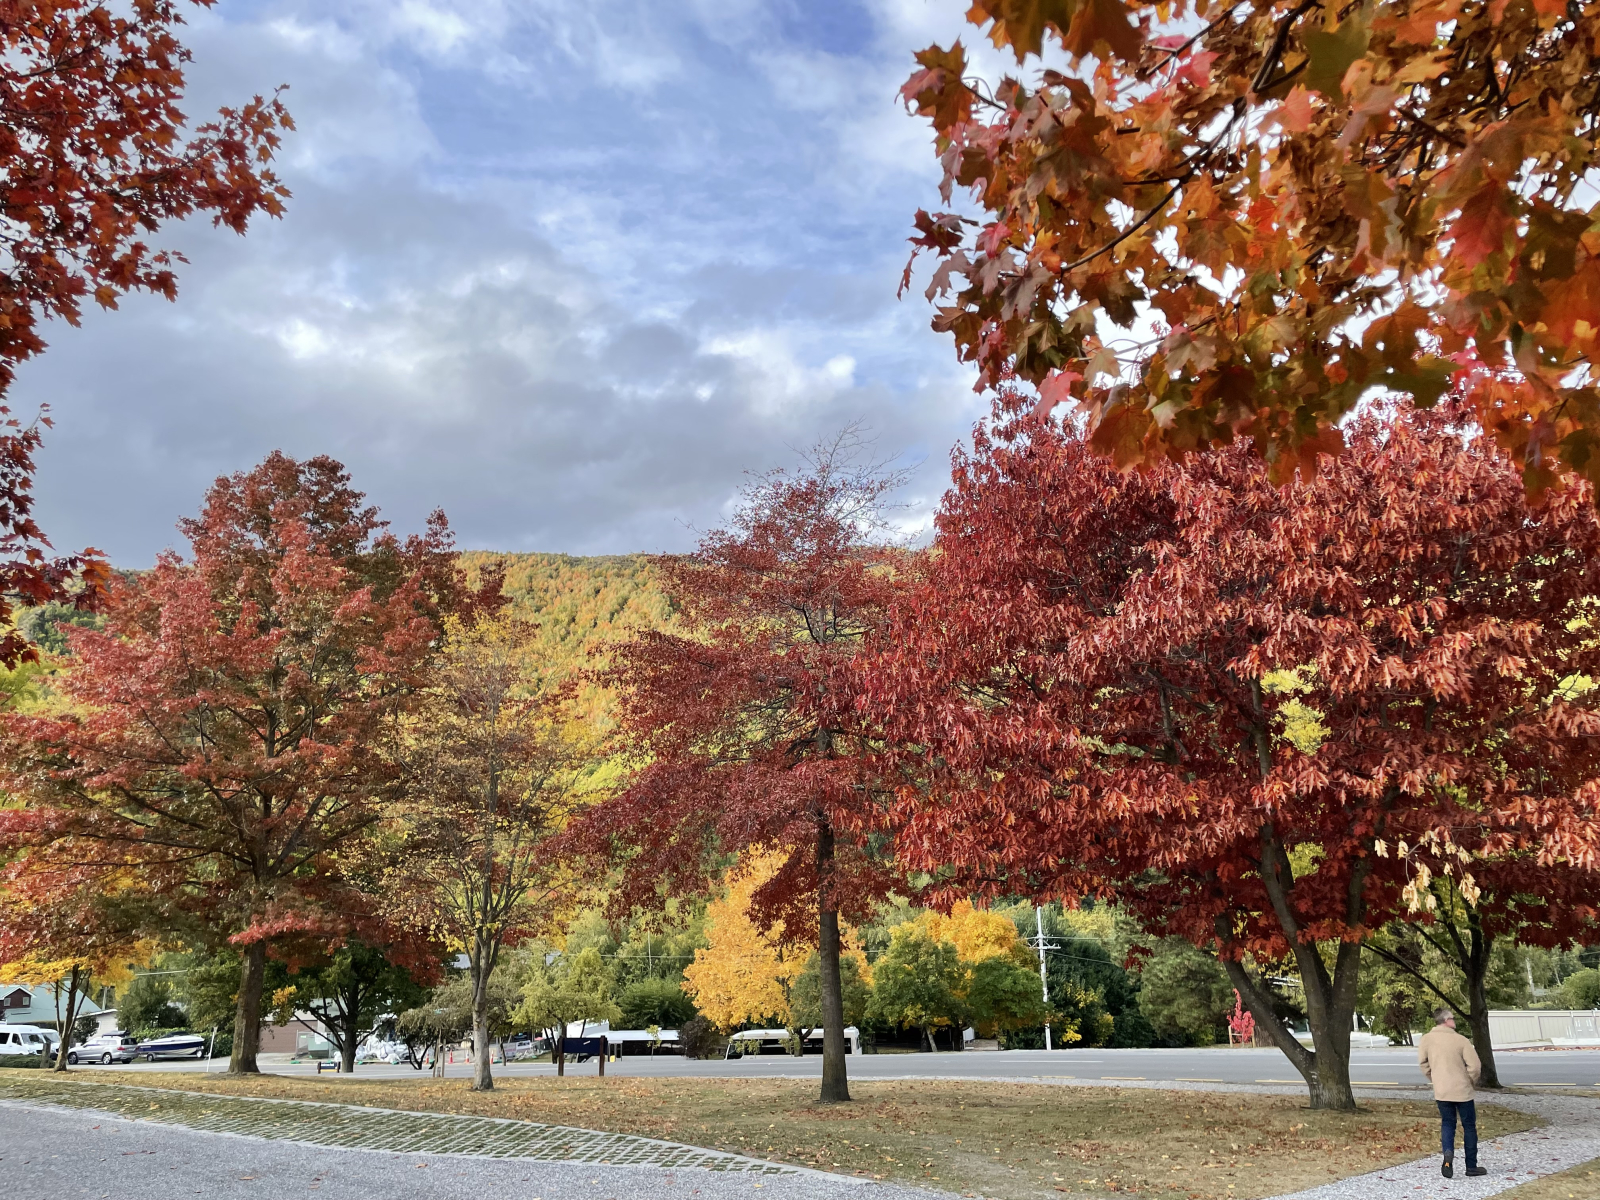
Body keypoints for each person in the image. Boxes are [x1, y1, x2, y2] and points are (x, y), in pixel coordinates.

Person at [1418, 1006, 1487, 1179]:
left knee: (1448, 1123)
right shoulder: (1461, 1040)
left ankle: (1448, 1157)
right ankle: (1471, 1166)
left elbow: (1423, 1064)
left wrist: (1435, 1079)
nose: (1455, 1021)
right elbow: (1475, 1066)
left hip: (1442, 1091)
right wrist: (1470, 1081)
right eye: (1453, 1018)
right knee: (1469, 1126)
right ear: (1447, 1021)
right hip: (1463, 1091)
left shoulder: (1426, 1040)